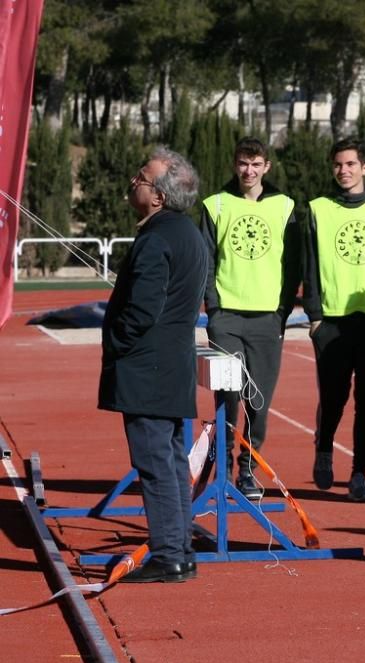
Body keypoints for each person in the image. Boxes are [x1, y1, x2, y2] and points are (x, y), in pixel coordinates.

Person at [98, 147, 208, 583]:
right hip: (169, 366)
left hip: (148, 369)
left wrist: (117, 345)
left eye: (141, 179)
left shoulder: (159, 238)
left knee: (157, 465)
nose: (133, 183)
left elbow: (141, 312)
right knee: (170, 463)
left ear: (159, 196)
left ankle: (169, 555)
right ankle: (178, 549)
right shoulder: (186, 234)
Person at [302, 137, 365, 501]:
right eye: (337, 165)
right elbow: (310, 267)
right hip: (332, 322)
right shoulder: (318, 210)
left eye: (350, 164)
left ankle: (360, 473)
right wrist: (314, 318)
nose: (343, 171)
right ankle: (325, 447)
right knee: (334, 398)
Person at [200, 137, 299, 500]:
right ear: (234, 164)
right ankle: (223, 467)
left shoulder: (285, 206)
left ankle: (248, 468)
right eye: (243, 163)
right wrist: (213, 306)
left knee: (258, 401)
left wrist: (282, 311)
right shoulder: (216, 205)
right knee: (226, 394)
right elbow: (206, 260)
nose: (249, 170)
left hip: (267, 320)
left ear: (267, 167)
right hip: (225, 317)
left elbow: (293, 265)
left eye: (256, 164)